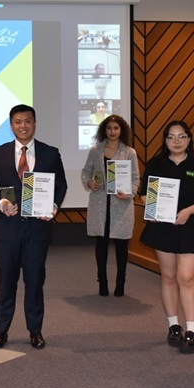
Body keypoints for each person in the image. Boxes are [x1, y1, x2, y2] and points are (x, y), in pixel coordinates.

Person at [0, 104, 68, 351]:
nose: (23, 126)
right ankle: (1, 331)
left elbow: (61, 184)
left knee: (35, 282)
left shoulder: (50, 153)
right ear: (11, 125)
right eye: (18, 122)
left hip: (38, 231)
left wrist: (54, 205)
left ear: (35, 123)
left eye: (28, 121)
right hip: (7, 231)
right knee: (6, 283)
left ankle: (35, 331)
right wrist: (1, 201)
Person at [138, 120, 194, 353]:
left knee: (186, 277)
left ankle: (192, 330)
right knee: (169, 276)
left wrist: (189, 211)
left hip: (189, 226)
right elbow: (144, 195)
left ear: (189, 139)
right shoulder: (156, 164)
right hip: (163, 227)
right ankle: (174, 326)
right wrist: (152, 209)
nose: (176, 141)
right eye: (171, 137)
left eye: (181, 136)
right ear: (165, 140)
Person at [81, 115, 139, 297]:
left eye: (116, 128)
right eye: (109, 128)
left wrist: (129, 194)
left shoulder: (130, 152)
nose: (112, 132)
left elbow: (135, 178)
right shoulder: (95, 150)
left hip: (121, 205)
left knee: (122, 246)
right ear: (104, 130)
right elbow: (86, 172)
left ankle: (121, 281)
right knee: (101, 244)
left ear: (121, 130)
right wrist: (89, 182)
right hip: (99, 203)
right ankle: (102, 281)